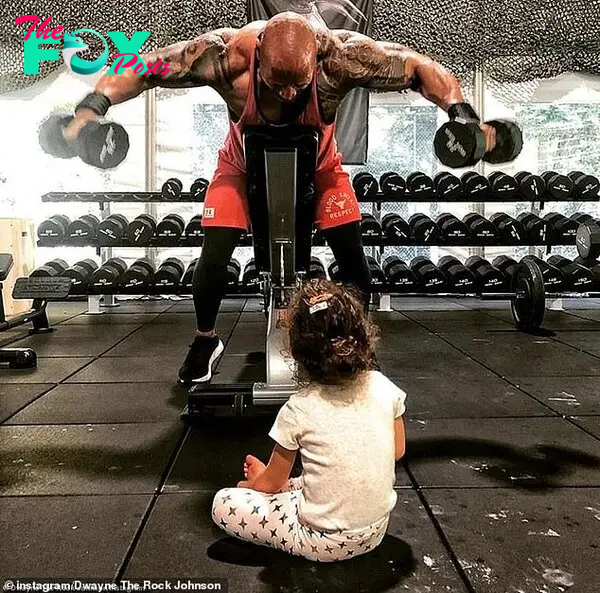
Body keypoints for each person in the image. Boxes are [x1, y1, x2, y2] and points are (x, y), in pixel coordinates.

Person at [63, 12, 496, 383]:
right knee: (214, 254)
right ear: (258, 57)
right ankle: (206, 339)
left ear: (315, 61)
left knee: (351, 255)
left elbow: (418, 68)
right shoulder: (225, 57)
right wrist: (91, 108)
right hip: (240, 164)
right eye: (277, 84)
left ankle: (356, 346)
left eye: (298, 85)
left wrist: (463, 116)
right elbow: (142, 66)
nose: (289, 95)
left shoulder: (341, 57)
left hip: (322, 165)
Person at [211, 277, 407, 561]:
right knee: (312, 478)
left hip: (322, 542)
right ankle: (295, 491)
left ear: (297, 352)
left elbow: (272, 484)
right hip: (376, 530)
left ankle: (269, 493)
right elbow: (398, 450)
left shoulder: (299, 408)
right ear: (363, 335)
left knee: (224, 503)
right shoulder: (382, 384)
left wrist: (251, 487)